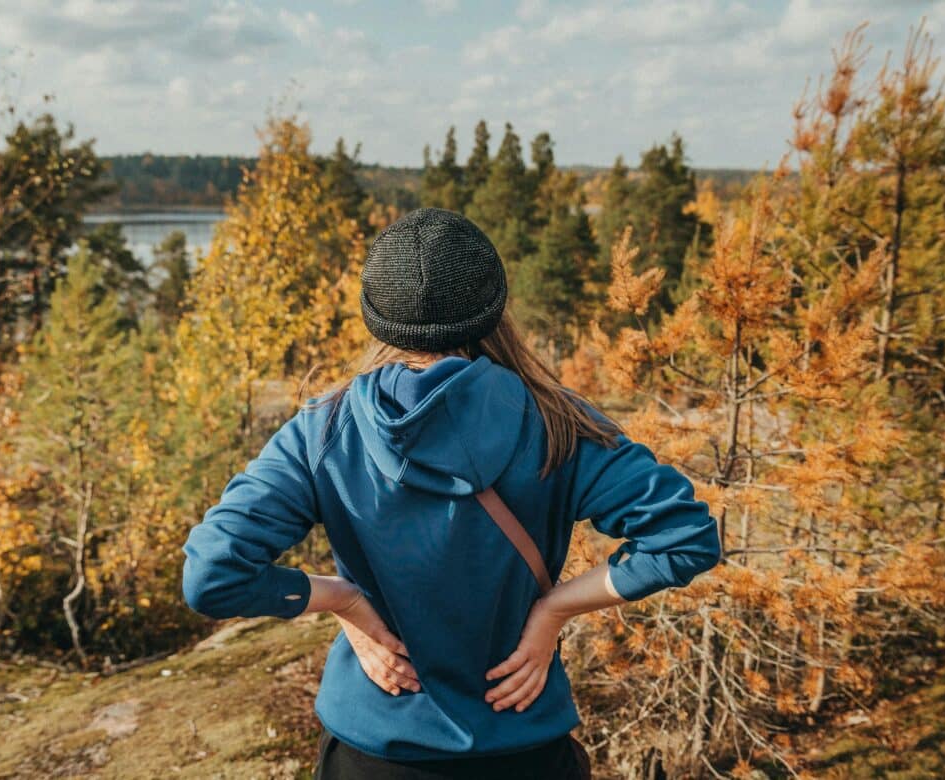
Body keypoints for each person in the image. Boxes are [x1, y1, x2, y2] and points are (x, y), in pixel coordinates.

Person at [181, 207, 722, 779]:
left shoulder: (323, 430)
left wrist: (343, 602)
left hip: (374, 752)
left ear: (377, 318)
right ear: (494, 307)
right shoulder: (559, 424)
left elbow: (213, 574)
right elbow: (685, 539)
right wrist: (553, 611)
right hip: (521, 740)